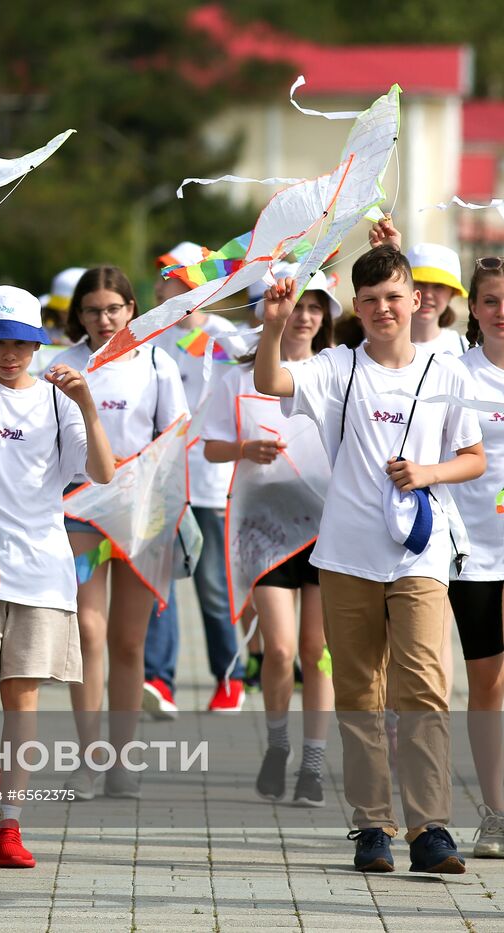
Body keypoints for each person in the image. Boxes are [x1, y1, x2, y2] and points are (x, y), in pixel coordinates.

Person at [253, 247, 484, 874]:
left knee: (424, 689)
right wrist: (274, 325)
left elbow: (473, 456)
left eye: (394, 297)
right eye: (372, 299)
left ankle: (430, 827)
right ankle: (372, 827)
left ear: (416, 301)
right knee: (359, 693)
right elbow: (270, 382)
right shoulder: (337, 367)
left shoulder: (444, 371)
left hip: (419, 555)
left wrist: (428, 473)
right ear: (358, 307)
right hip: (347, 554)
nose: (384, 309)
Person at [0, 286, 115, 868]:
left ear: (37, 344)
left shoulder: (57, 399)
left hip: (42, 565)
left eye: (21, 343)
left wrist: (87, 403)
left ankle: (10, 824)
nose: (9, 354)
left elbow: (102, 471)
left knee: (21, 696)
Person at [204, 265, 339, 807]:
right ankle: (278, 744)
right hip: (261, 528)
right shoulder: (237, 378)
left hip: (328, 526)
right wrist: (245, 451)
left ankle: (313, 763)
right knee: (280, 649)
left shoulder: (335, 370)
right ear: (266, 309)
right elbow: (211, 445)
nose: (304, 316)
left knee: (318, 649)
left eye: (315, 306)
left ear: (326, 315)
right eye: (294, 305)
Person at [52, 266, 188, 801]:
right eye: (92, 310)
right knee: (88, 632)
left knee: (129, 642)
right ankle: (89, 760)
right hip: (79, 509)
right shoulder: (59, 365)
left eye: (114, 308)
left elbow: (176, 441)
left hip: (141, 517)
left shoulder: (158, 362)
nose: (104, 319)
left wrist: (148, 499)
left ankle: (122, 762)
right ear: (77, 315)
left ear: (133, 308)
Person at [146, 241, 244, 716]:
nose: (164, 284)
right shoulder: (152, 335)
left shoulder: (228, 336)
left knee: (211, 584)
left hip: (210, 481)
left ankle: (230, 680)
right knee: (158, 582)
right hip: (161, 481)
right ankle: (158, 682)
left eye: (173, 277)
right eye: (165, 276)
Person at [449, 256, 504, 856]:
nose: (502, 312)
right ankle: (495, 813)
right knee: (486, 685)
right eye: (491, 300)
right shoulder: (457, 376)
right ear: (475, 308)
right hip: (474, 552)